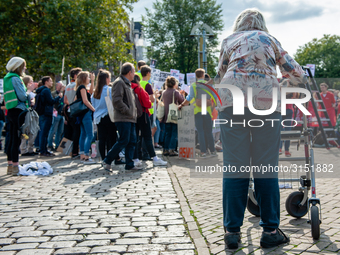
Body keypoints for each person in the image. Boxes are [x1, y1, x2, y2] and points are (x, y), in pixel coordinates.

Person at [215, 9, 306, 249]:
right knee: (266, 166)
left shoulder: (229, 41)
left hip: (231, 103)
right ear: (261, 23)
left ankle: (232, 233)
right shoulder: (269, 39)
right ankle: (270, 230)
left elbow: (220, 74)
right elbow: (295, 72)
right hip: (265, 105)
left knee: (234, 167)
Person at [101, 62, 142, 171]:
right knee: (124, 140)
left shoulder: (126, 83)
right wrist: (128, 111)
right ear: (129, 72)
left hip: (130, 118)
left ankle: (129, 164)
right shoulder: (119, 83)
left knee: (132, 141)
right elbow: (117, 101)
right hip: (123, 118)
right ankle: (107, 160)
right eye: (133, 72)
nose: (134, 75)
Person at [3, 57, 33, 175]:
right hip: (19, 110)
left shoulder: (7, 78)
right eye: (24, 66)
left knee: (11, 138)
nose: (25, 68)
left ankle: (10, 165)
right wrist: (29, 90)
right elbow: (22, 96)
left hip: (10, 110)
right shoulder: (16, 79)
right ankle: (15, 165)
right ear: (18, 67)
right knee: (17, 138)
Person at [179, 68, 217, 157]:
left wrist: (181, 105)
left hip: (197, 110)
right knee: (209, 131)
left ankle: (203, 152)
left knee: (200, 131)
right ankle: (213, 151)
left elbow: (189, 98)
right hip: (207, 110)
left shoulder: (194, 85)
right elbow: (215, 97)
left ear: (196, 76)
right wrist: (212, 108)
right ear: (203, 75)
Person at [131, 74, 167, 167]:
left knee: (135, 137)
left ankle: (135, 158)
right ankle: (154, 157)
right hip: (143, 115)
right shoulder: (139, 89)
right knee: (147, 137)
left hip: (132, 115)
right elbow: (148, 103)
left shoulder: (128, 88)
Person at [91, 69, 124, 164]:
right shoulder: (109, 90)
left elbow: (93, 105)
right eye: (109, 78)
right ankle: (116, 158)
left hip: (98, 118)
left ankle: (103, 158)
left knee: (102, 139)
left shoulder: (95, 93)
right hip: (108, 116)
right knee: (112, 138)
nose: (110, 80)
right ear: (106, 78)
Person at [35, 76, 63, 156]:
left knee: (43, 132)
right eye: (50, 81)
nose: (52, 82)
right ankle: (43, 150)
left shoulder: (40, 90)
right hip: (47, 113)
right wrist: (59, 97)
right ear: (46, 82)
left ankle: (43, 149)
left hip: (42, 113)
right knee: (45, 132)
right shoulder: (46, 90)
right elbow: (51, 101)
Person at [74, 71, 96, 164]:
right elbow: (86, 101)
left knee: (83, 134)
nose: (89, 79)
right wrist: (94, 110)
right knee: (90, 134)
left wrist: (93, 81)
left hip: (81, 114)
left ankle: (82, 155)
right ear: (84, 78)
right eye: (88, 77)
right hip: (86, 113)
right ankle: (86, 156)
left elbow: (90, 93)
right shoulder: (82, 87)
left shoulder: (81, 88)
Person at [161, 76, 184, 156]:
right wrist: (183, 95)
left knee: (167, 133)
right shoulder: (176, 92)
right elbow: (182, 102)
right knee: (174, 133)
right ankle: (172, 150)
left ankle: (165, 150)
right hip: (174, 116)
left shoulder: (164, 92)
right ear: (174, 84)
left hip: (166, 115)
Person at [64, 67, 82, 158]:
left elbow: (65, 100)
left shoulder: (68, 86)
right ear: (75, 76)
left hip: (70, 111)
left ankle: (69, 151)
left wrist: (71, 104)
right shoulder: (78, 86)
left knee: (72, 132)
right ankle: (76, 152)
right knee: (77, 132)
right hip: (77, 111)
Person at [20, 75, 38, 156]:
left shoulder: (32, 93)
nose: (32, 83)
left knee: (32, 131)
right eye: (31, 81)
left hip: (31, 112)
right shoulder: (23, 90)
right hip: (25, 113)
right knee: (25, 131)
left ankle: (30, 149)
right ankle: (23, 150)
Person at [47, 81, 65, 151]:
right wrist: (60, 94)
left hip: (62, 114)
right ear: (57, 86)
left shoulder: (64, 93)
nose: (61, 87)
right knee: (53, 130)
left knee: (60, 131)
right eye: (59, 86)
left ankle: (57, 145)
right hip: (56, 113)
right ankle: (50, 144)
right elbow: (53, 102)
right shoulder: (53, 93)